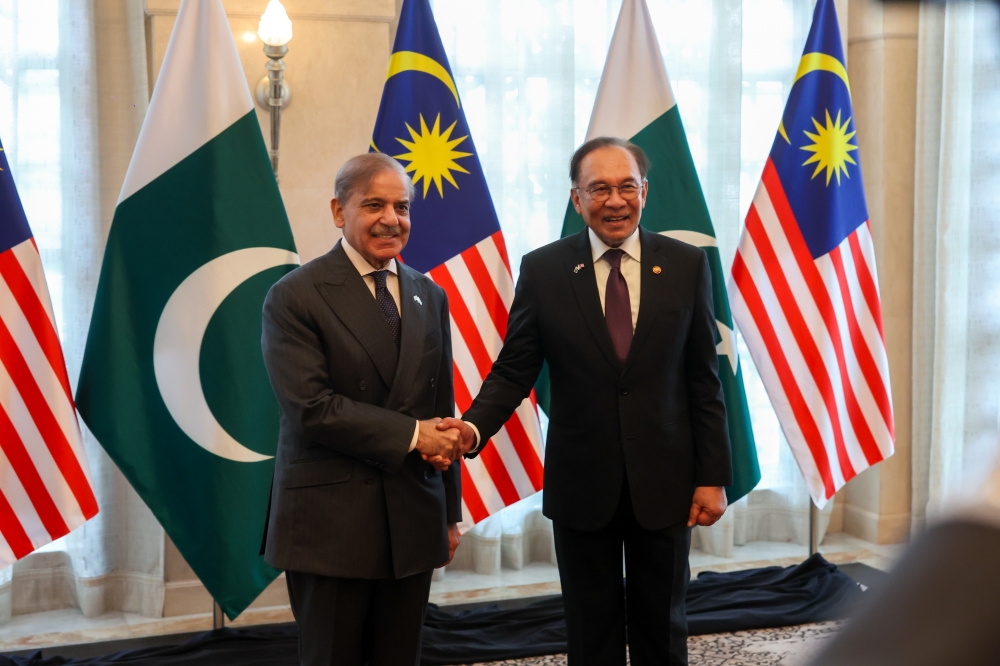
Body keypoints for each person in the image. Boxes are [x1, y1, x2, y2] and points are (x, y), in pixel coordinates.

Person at [437, 137, 733, 665]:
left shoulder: (687, 266)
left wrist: (712, 475)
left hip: (665, 481)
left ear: (645, 191)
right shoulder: (545, 270)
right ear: (576, 199)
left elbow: (702, 380)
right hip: (582, 484)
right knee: (588, 627)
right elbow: (514, 369)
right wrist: (472, 428)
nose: (614, 200)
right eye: (599, 188)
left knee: (662, 625)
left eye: (626, 187)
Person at [260, 152, 465, 666]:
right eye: (374, 204)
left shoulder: (429, 294)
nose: (391, 219)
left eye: (402, 206)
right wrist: (416, 437)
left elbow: (440, 407)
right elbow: (313, 408)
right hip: (331, 525)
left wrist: (449, 512)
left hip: (413, 514)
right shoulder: (294, 296)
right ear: (338, 211)